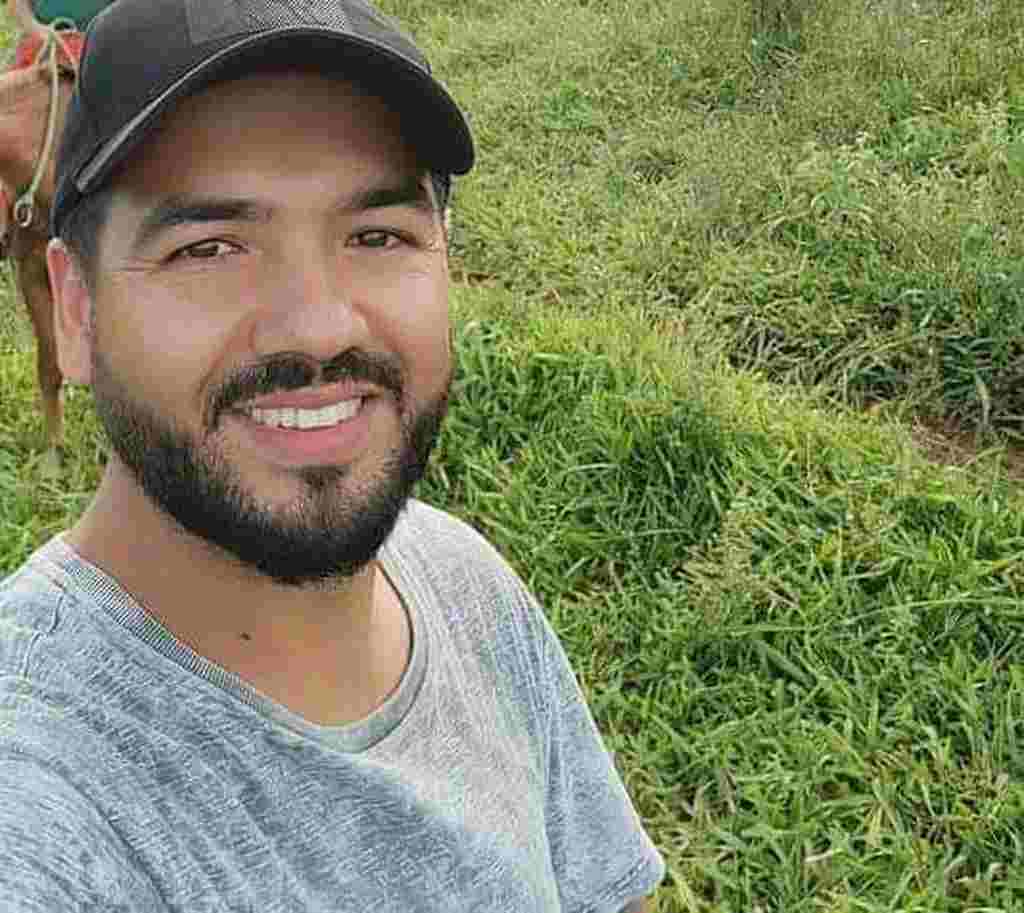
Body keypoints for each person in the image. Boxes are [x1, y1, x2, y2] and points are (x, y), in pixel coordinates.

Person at [0, 0, 666, 910]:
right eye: (209, 248)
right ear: (75, 312)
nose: (318, 327)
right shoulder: (37, 802)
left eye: (377, 236)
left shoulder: (462, 579)